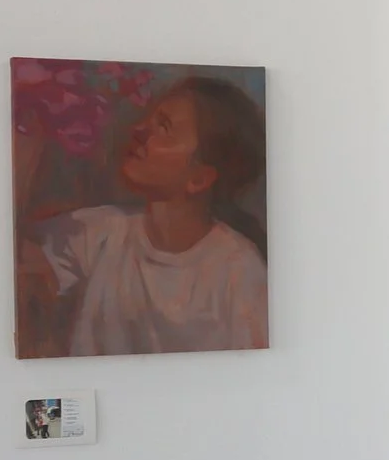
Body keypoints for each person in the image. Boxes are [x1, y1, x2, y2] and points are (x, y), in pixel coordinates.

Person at [23, 76, 269, 356]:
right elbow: (19, 257)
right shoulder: (102, 232)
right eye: (149, 120)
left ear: (199, 179)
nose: (139, 129)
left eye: (164, 127)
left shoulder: (238, 270)